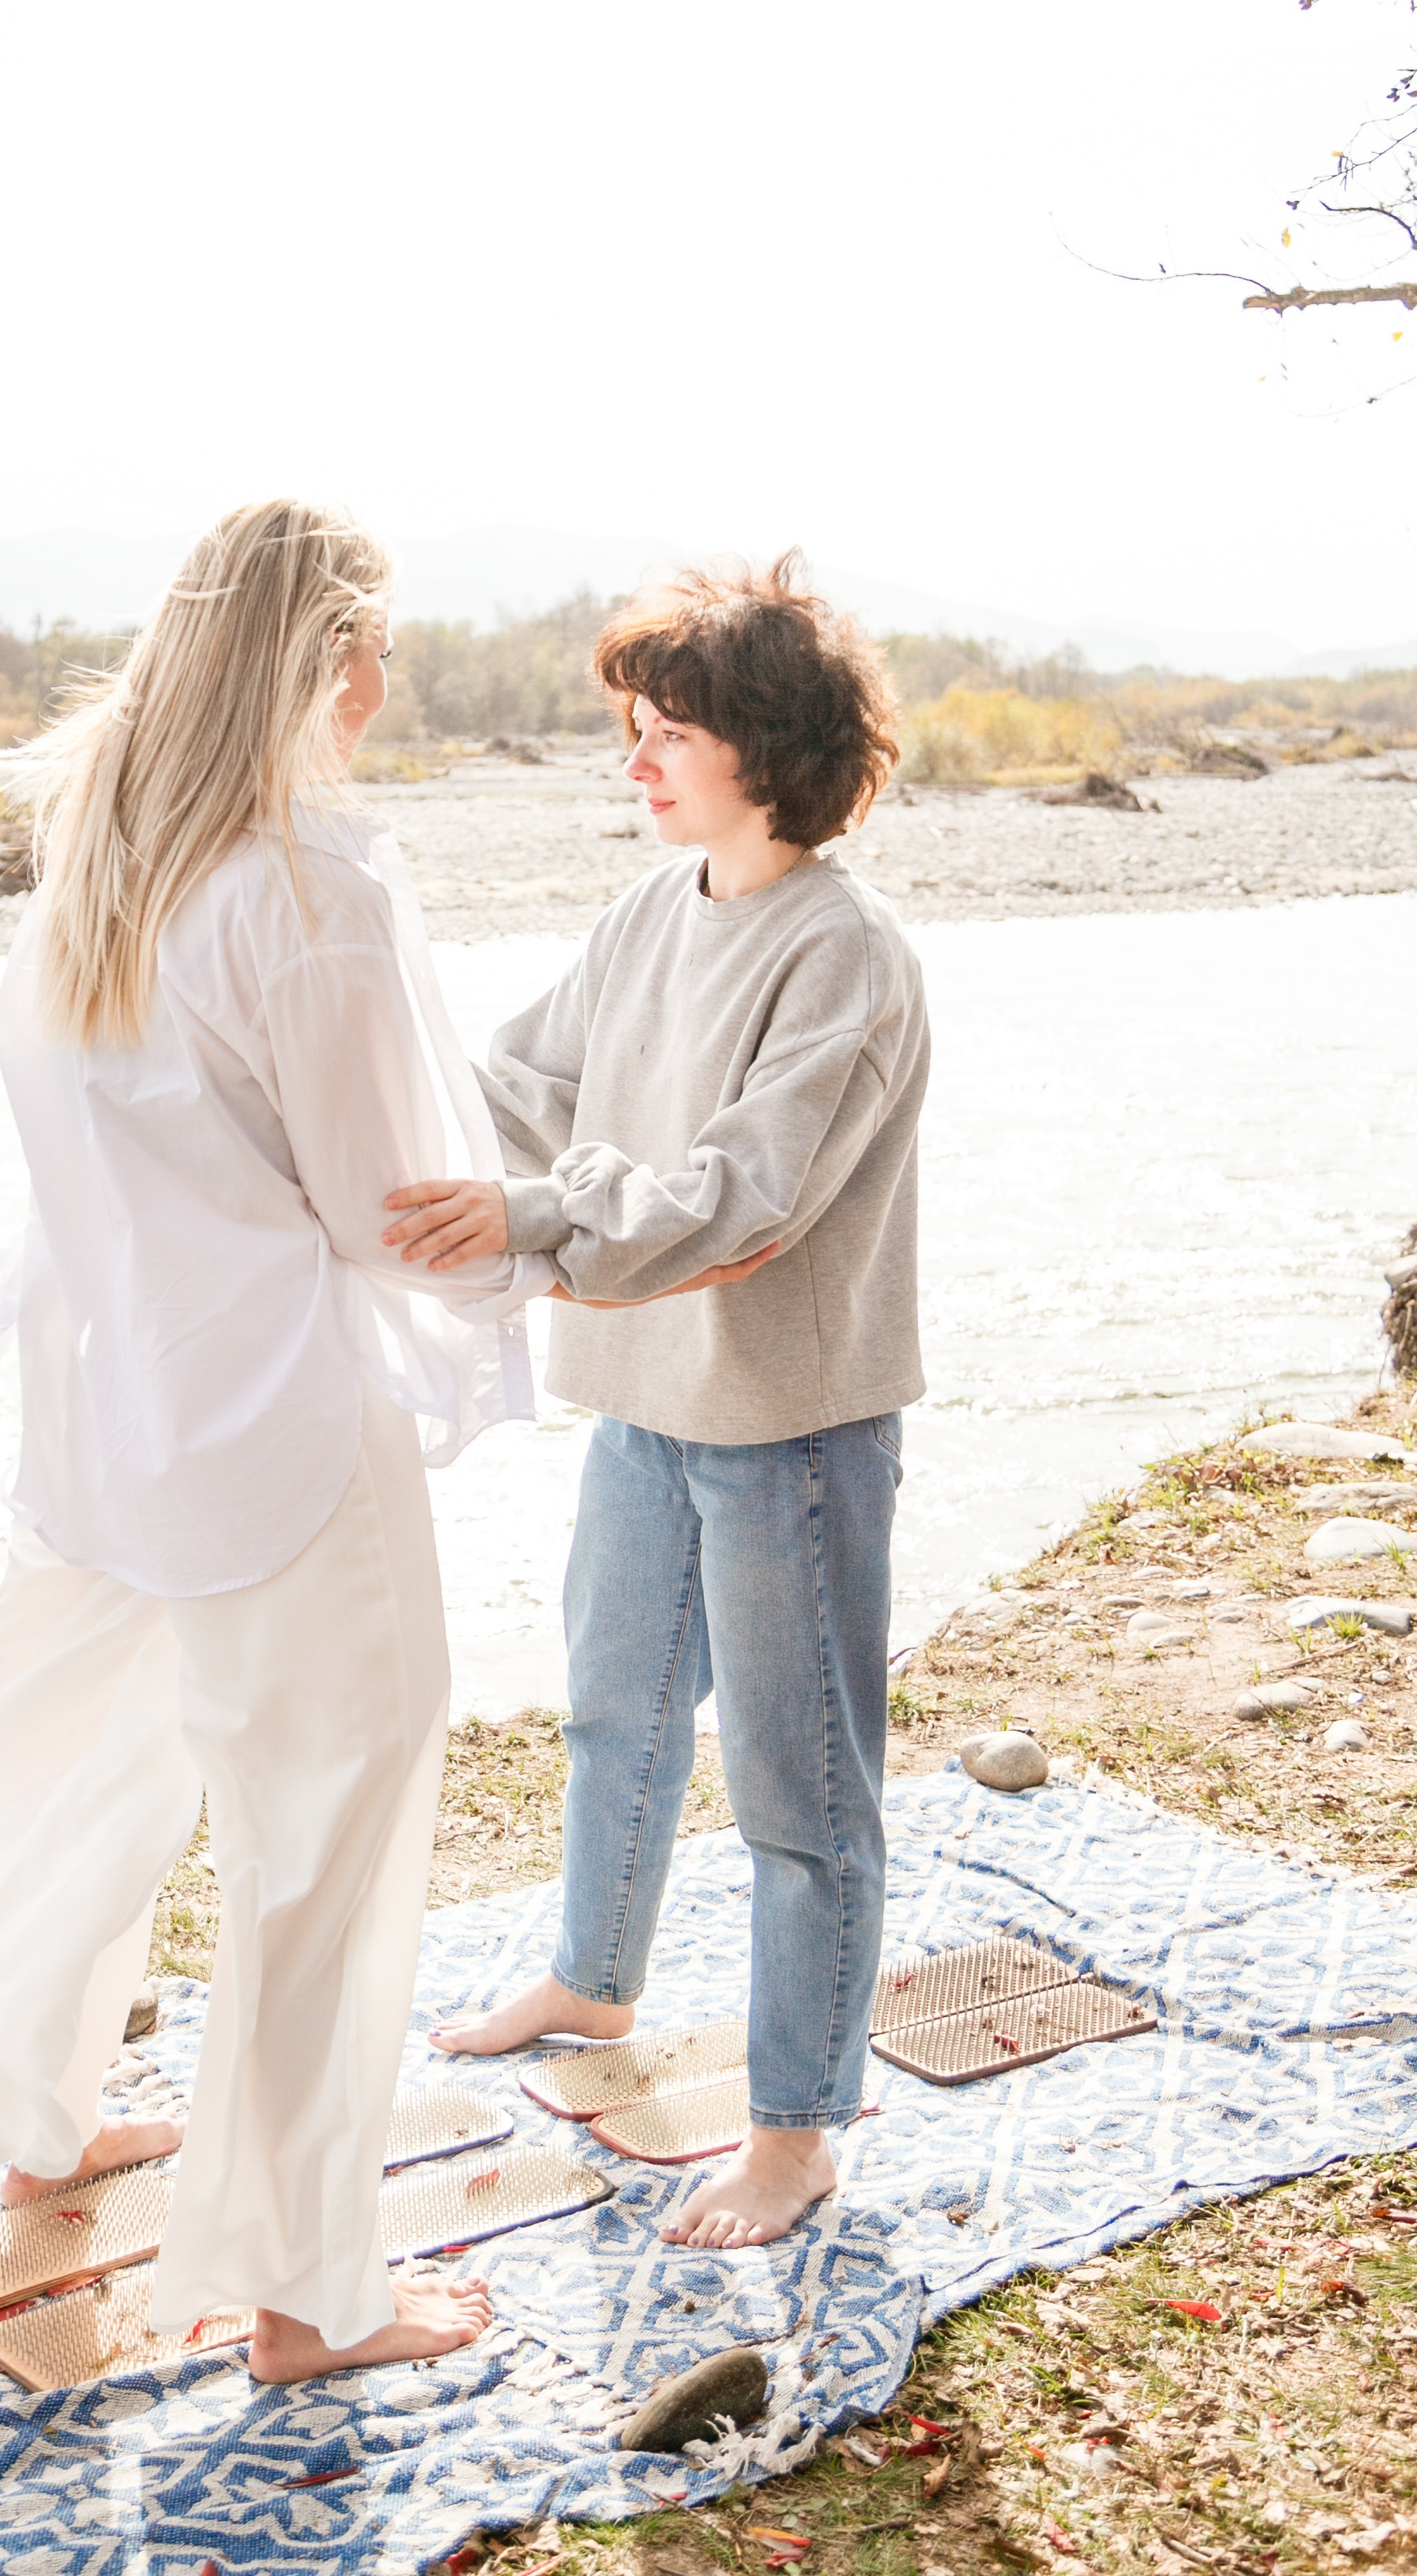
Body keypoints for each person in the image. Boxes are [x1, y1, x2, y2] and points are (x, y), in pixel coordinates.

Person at [0, 502, 764, 2380]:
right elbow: (398, 1208)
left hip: (102, 1402)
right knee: (323, 1833)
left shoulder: (97, 865)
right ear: (322, 658)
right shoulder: (300, 886)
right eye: (377, 647)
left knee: (71, 1761)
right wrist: (586, 1259)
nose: (389, 681)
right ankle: (305, 2292)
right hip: (266, 1423)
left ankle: (38, 2118)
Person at [383, 557, 927, 2253]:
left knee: (798, 1796)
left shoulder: (843, 954)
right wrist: (358, 1125)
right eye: (632, 728)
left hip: (790, 1425)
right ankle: (591, 1981)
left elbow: (737, 1198)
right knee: (616, 1711)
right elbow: (516, 1087)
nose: (632, 761)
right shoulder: (648, 911)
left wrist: (528, 1216)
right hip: (640, 1395)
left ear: (768, 746)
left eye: (666, 732)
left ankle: (794, 2132)